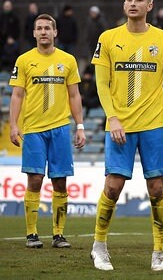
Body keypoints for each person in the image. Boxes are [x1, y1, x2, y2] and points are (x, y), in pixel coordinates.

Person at [89, 0, 163, 272]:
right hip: (119, 125)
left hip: (155, 125)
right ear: (124, 3)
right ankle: (99, 246)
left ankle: (159, 252)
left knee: (157, 189)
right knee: (113, 186)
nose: (132, 3)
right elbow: (101, 85)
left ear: (149, 5)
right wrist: (113, 117)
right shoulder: (107, 38)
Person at [8, 13, 86, 249]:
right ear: (34, 33)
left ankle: (58, 234)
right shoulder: (23, 60)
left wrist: (80, 126)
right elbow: (17, 94)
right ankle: (32, 233)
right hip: (33, 130)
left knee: (60, 181)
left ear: (55, 33)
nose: (43, 32)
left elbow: (74, 95)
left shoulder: (68, 60)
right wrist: (13, 125)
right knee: (35, 179)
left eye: (47, 28)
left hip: (61, 129)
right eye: (39, 28)